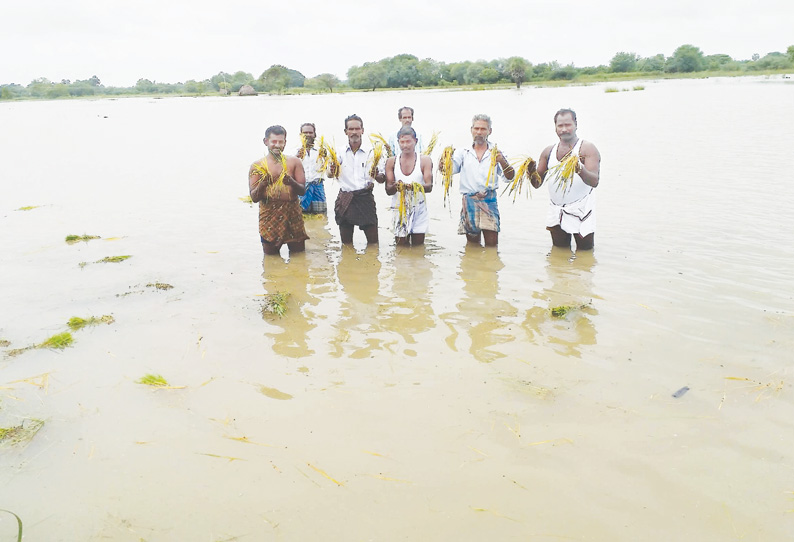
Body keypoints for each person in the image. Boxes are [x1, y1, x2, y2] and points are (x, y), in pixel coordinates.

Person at [532, 108, 601, 250]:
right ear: (555, 127)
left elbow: (594, 181)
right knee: (559, 250)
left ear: (576, 124)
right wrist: (530, 171)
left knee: (585, 253)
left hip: (581, 208)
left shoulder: (586, 148)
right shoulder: (549, 151)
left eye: (568, 125)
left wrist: (579, 169)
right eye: (560, 126)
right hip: (556, 209)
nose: (564, 129)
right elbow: (537, 183)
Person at [450, 114, 514, 247]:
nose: (479, 132)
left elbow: (510, 177)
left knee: (492, 244)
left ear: (489, 131)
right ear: (471, 130)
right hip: (469, 200)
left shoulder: (496, 153)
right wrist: (444, 163)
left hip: (489, 200)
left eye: (483, 129)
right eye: (476, 128)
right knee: (473, 244)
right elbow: (450, 171)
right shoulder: (462, 152)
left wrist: (502, 161)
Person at [248, 125, 308, 256]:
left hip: (292, 212)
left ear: (285, 143)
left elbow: (302, 191)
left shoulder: (294, 162)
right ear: (266, 142)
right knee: (271, 258)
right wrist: (263, 184)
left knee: (299, 256)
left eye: (280, 142)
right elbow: (254, 197)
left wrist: (291, 182)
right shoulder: (257, 166)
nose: (277, 145)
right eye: (273, 141)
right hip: (269, 215)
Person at [328, 114, 386, 245]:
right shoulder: (338, 153)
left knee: (373, 244)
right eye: (351, 129)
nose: (354, 132)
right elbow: (329, 174)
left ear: (362, 130)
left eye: (357, 129)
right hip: (345, 198)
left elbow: (382, 179)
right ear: (346, 132)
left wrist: (377, 175)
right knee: (346, 245)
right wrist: (332, 171)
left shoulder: (372, 152)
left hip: (365, 197)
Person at [384, 126, 433, 246]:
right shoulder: (391, 161)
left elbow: (429, 186)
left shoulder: (425, 160)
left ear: (415, 141)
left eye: (408, 141)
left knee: (418, 247)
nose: (405, 145)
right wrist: (397, 186)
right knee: (401, 246)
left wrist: (413, 187)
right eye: (402, 142)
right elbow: (388, 190)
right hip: (399, 209)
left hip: (419, 209)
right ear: (398, 143)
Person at [296, 122, 327, 214]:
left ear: (315, 134)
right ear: (301, 135)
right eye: (305, 133)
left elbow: (329, 171)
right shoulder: (294, 152)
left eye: (310, 132)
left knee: (320, 217)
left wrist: (326, 158)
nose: (308, 135)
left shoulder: (321, 151)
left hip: (317, 187)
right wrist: (297, 157)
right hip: (301, 187)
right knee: (300, 216)